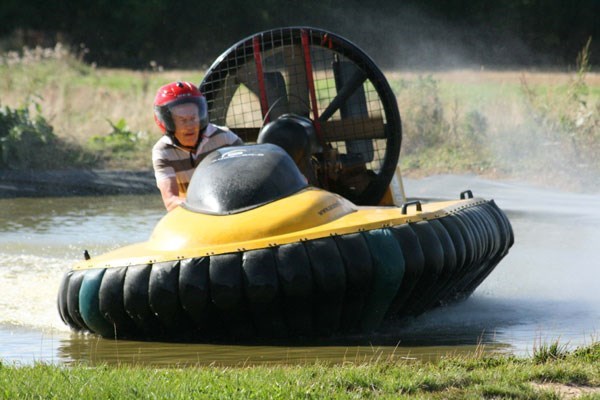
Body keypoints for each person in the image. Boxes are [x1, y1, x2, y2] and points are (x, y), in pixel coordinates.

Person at [152, 81, 243, 211]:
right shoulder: (162, 151)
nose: (190, 126)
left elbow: (248, 177)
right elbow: (170, 201)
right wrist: (207, 205)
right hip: (193, 214)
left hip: (230, 208)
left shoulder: (225, 138)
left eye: (193, 118)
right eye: (182, 120)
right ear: (168, 122)